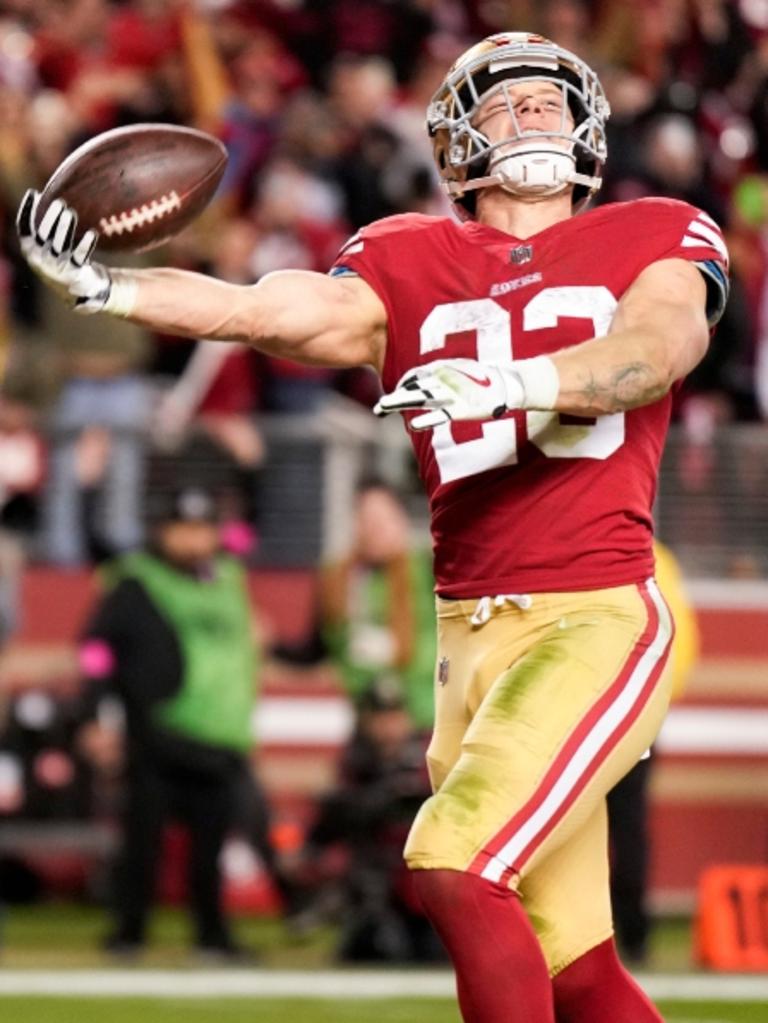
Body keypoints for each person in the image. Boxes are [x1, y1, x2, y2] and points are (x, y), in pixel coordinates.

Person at [16, 30, 729, 1023]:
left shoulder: (655, 229)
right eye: (504, 103)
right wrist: (115, 289)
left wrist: (515, 382)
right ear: (454, 143)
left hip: (593, 614)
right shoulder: (404, 255)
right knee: (578, 970)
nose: (532, 116)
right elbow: (269, 310)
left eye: (548, 102)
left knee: (452, 860)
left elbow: (658, 347)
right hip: (466, 639)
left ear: (591, 126)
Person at [75, 485, 259, 960]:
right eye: (183, 528)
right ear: (163, 532)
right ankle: (129, 932)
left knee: (210, 847)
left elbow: (250, 529)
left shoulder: (227, 579)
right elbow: (97, 649)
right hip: (156, 732)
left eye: (203, 528)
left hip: (218, 733)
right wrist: (96, 713)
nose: (194, 540)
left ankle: (212, 935)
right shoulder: (136, 581)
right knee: (142, 842)